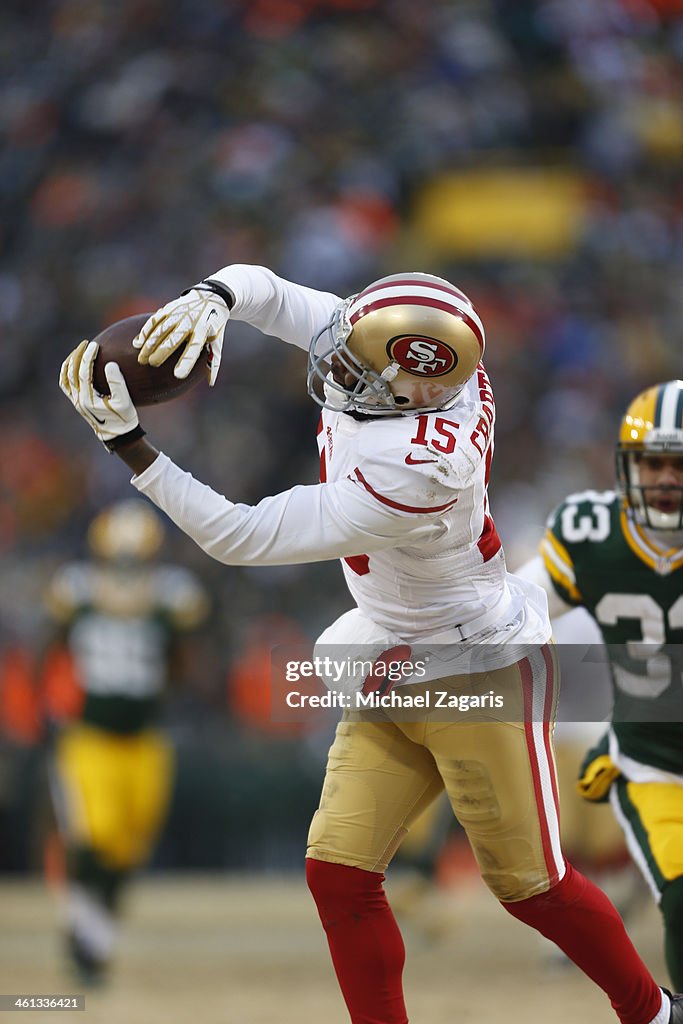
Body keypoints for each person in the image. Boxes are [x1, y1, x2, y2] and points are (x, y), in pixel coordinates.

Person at [59, 264, 683, 1023]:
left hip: (474, 664)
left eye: (358, 368)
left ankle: (652, 1013)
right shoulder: (417, 355)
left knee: (532, 887)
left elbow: (239, 534)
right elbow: (282, 298)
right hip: (392, 648)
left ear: (418, 388)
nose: (333, 366)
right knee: (339, 876)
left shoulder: (419, 470)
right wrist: (212, 298)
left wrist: (129, 446)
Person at [516, 379, 683, 992]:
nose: (666, 480)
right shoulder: (592, 535)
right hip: (650, 747)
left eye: (679, 465)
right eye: (654, 463)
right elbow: (519, 608)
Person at [44, 498, 209, 984]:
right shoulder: (74, 590)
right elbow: (51, 654)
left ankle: (95, 937)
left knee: (127, 848)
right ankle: (87, 941)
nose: (126, 567)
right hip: (91, 738)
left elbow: (181, 660)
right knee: (95, 837)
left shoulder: (172, 596)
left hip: (145, 740)